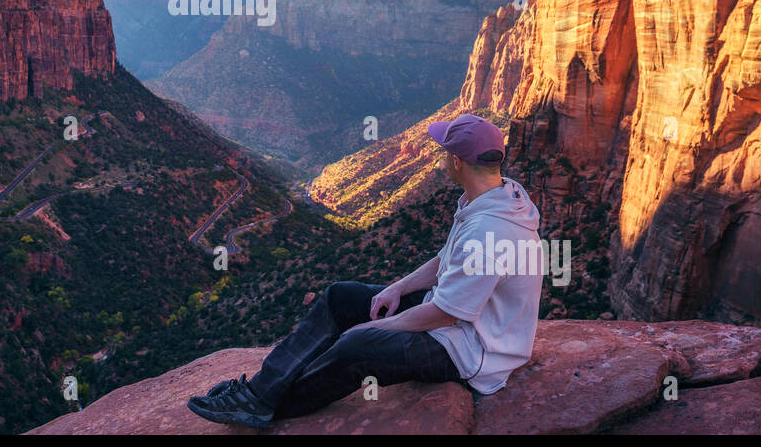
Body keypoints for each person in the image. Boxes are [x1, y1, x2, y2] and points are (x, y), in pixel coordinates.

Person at [186, 113, 544, 428]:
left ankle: (273, 406)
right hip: (462, 327)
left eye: (442, 151)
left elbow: (447, 314)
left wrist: (379, 326)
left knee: (357, 344)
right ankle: (259, 392)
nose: (439, 158)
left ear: (457, 161)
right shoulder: (492, 197)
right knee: (342, 297)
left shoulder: (489, 230)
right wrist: (396, 288)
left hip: (474, 351)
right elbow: (445, 259)